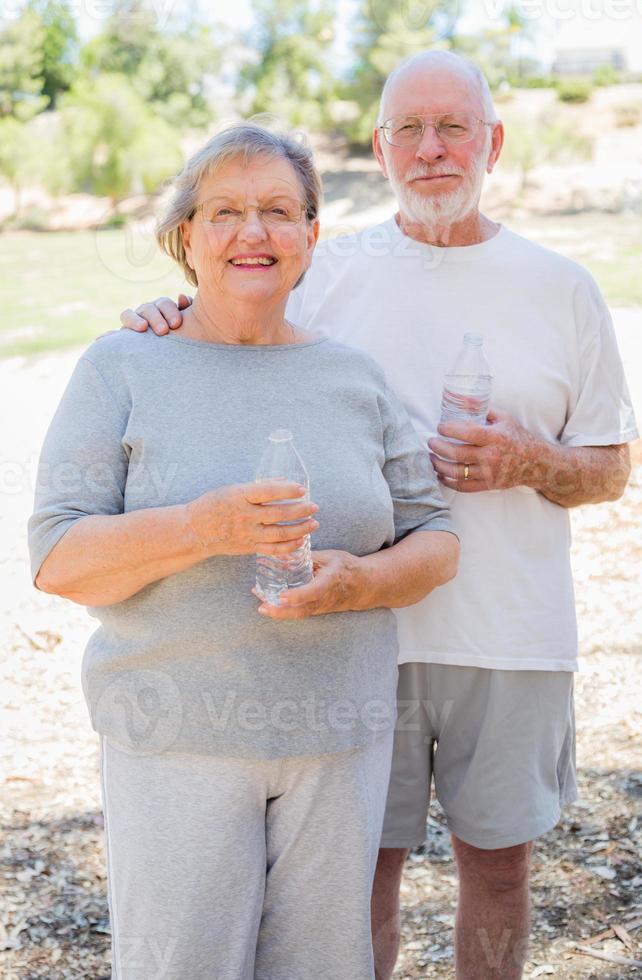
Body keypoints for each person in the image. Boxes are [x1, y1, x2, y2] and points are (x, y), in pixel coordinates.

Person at [119, 51, 638, 980]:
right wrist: (167, 315)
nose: (432, 149)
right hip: (353, 630)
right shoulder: (328, 269)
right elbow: (229, 319)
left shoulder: (562, 287)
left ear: (495, 142)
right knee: (354, 879)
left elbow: (608, 471)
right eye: (410, 129)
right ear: (381, 146)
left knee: (501, 872)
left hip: (511, 635)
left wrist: (531, 459)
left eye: (453, 128)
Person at [28, 123, 460, 980]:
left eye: (277, 211)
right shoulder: (123, 365)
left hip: (338, 737)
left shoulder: (354, 377)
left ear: (310, 237)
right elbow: (57, 558)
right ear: (188, 236)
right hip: (175, 740)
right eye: (224, 211)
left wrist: (359, 582)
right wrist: (200, 529)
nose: (252, 233)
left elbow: (438, 539)